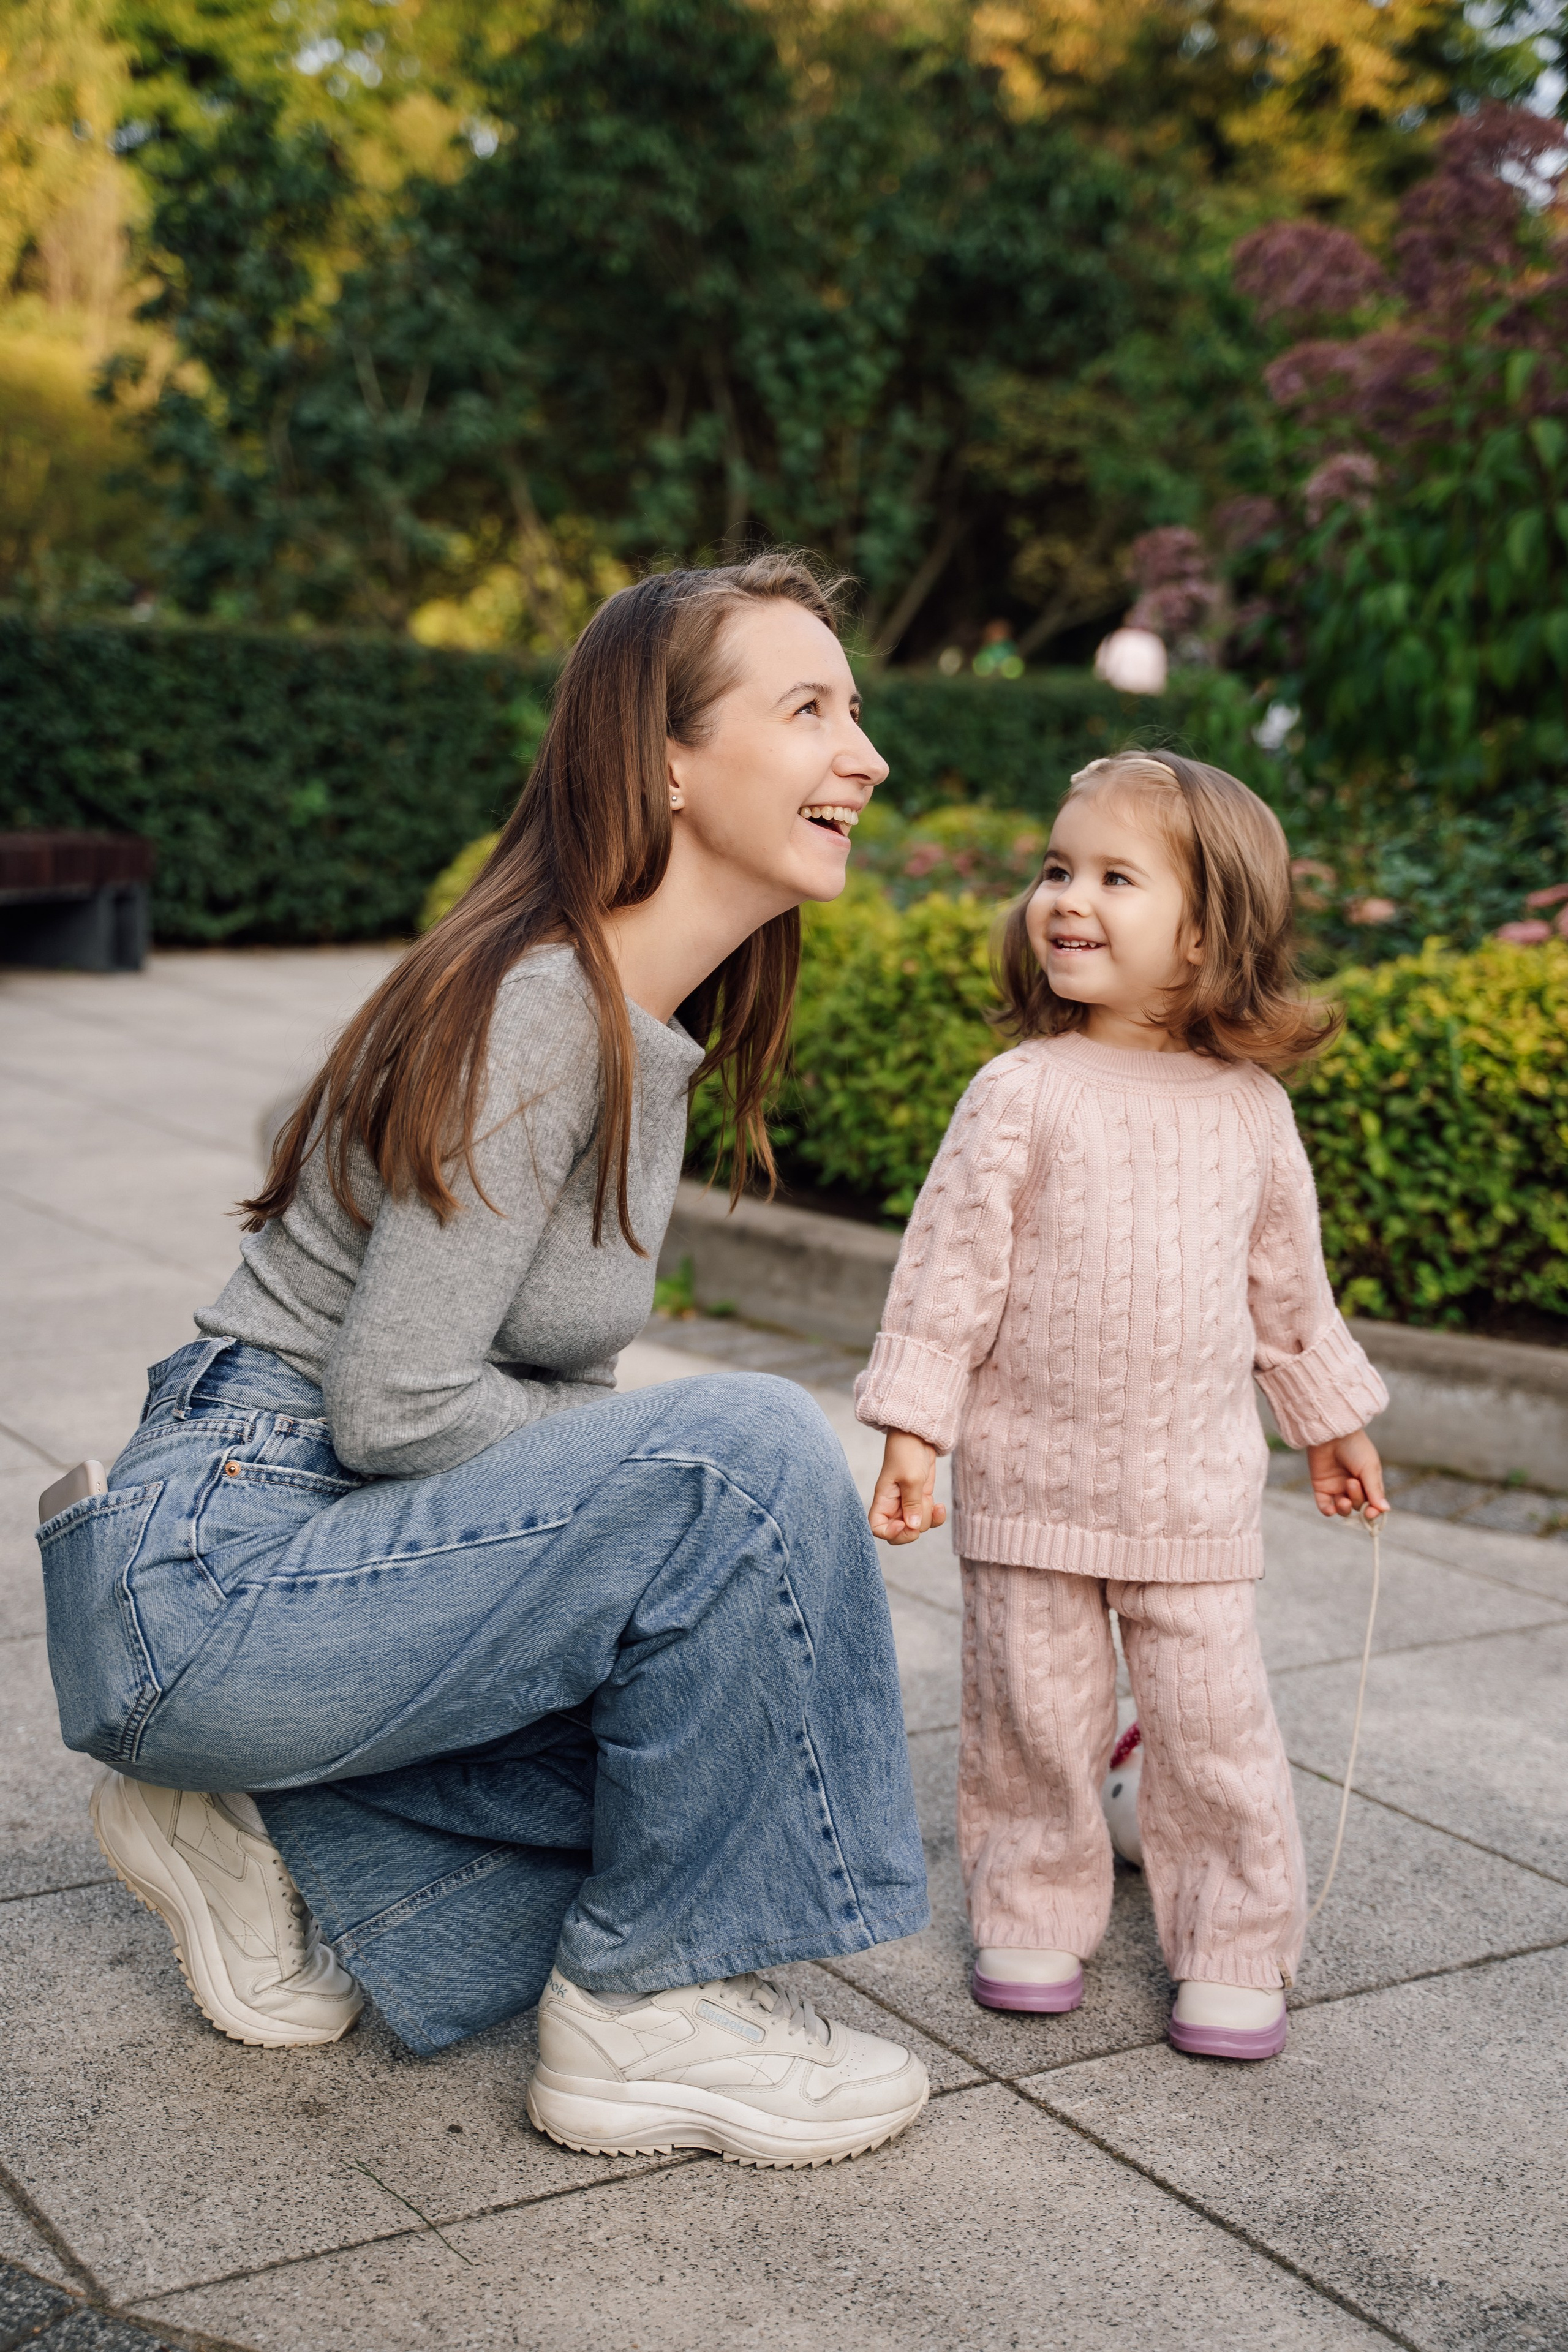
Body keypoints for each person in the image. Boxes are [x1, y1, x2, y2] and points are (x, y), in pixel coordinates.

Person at [37, 554, 932, 2168]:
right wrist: (695, 1480)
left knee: (710, 1764)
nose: (863, 756)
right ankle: (646, 2015)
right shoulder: (541, 1005)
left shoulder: (634, 1028)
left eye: (853, 710)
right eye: (810, 709)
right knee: (748, 1459)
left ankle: (268, 1831)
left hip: (296, 1576)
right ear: (665, 760)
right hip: (223, 1573)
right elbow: (395, 1405)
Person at [856, 752, 1390, 2063]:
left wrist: (1330, 1421)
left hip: (1189, 1496)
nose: (1066, 898)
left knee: (1213, 1733)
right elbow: (948, 1277)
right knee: (1030, 1723)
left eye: (1113, 877)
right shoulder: (1021, 1091)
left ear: (1205, 933)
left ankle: (1235, 1944)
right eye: (1056, 869)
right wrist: (916, 1431)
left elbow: (1286, 1294)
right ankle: (1033, 1911)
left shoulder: (1251, 1111)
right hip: (1028, 1482)